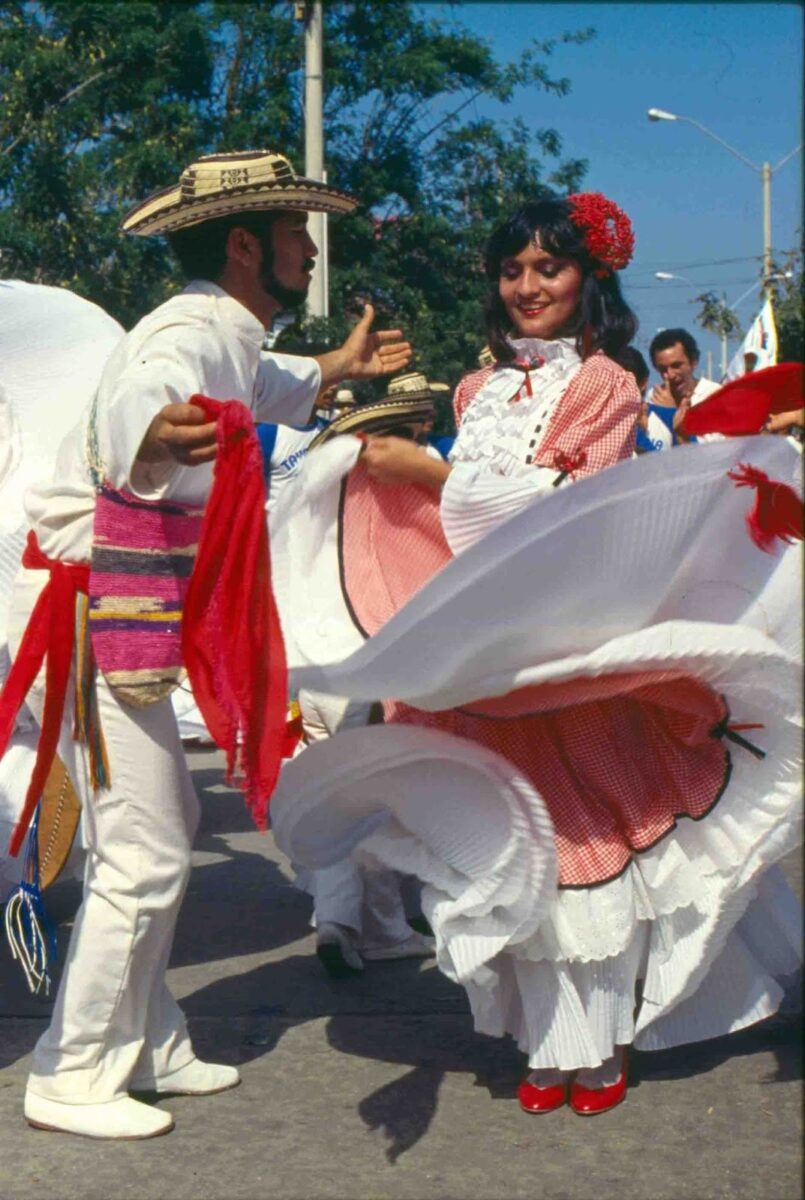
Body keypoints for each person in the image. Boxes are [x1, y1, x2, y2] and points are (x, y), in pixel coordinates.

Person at [270, 192, 801, 1119]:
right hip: (487, 644)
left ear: (586, 277)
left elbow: (564, 505)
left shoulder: (606, 383)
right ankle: (547, 1040)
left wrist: (428, 472)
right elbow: (463, 523)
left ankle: (595, 1045)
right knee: (515, 848)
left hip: (571, 642)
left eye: (547, 268)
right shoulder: (474, 391)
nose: (527, 286)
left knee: (581, 843)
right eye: (512, 270)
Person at [0, 149, 411, 1140]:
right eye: (293, 231)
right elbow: (140, 401)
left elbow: (268, 380)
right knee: (142, 847)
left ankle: (150, 1041)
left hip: (107, 601)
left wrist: (340, 367)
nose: (308, 248)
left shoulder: (225, 331)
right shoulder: (182, 336)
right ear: (244, 245)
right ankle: (73, 1071)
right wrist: (155, 434)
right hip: (91, 610)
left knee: (159, 824)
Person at [648, 328, 721, 444]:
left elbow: (711, 451)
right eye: (663, 369)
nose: (670, 375)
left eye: (676, 366)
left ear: (693, 362)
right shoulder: (654, 398)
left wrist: (670, 413)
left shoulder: (715, 396)